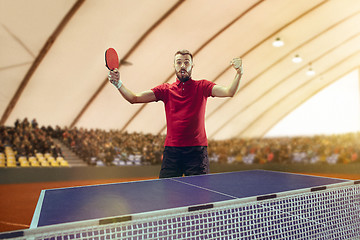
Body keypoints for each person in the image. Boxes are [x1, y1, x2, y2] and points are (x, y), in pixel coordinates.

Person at [108, 50, 243, 178]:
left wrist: (239, 73)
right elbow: (134, 98)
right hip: (172, 152)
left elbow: (229, 92)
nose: (182, 66)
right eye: (178, 62)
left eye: (186, 62)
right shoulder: (165, 90)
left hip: (197, 152)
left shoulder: (202, 86)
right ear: (174, 65)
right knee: (169, 195)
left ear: (192, 65)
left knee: (199, 197)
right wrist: (118, 83)